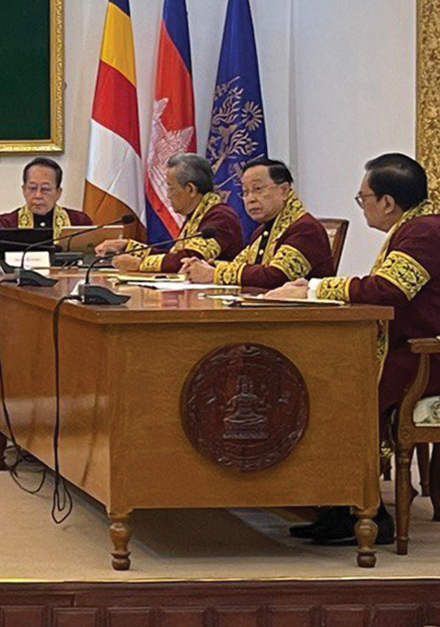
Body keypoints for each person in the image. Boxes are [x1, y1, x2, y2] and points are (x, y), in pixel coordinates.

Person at [265, 153, 440, 544]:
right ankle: (337, 506)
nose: (361, 207)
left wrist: (313, 288)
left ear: (388, 202)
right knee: (319, 385)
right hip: (403, 349)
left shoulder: (425, 232)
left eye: (363, 198)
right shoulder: (415, 228)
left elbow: (390, 291)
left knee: (339, 398)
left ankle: (367, 515)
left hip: (421, 358)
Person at [180, 158, 336, 288]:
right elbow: (239, 265)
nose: (251, 198)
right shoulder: (263, 230)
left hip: (301, 319)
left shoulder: (305, 229)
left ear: (284, 190)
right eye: (245, 192)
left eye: (258, 189)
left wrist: (214, 274)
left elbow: (276, 276)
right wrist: (203, 267)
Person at [96, 152, 244, 272]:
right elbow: (173, 256)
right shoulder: (199, 213)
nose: (167, 195)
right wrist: (127, 246)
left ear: (190, 189)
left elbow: (190, 259)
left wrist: (140, 264)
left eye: (170, 188)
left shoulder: (220, 217)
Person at [0, 157, 92, 258]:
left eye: (45, 189)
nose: (38, 196)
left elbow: (94, 253)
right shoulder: (9, 223)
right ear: (23, 190)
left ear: (58, 193)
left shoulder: (78, 221)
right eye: (32, 188)